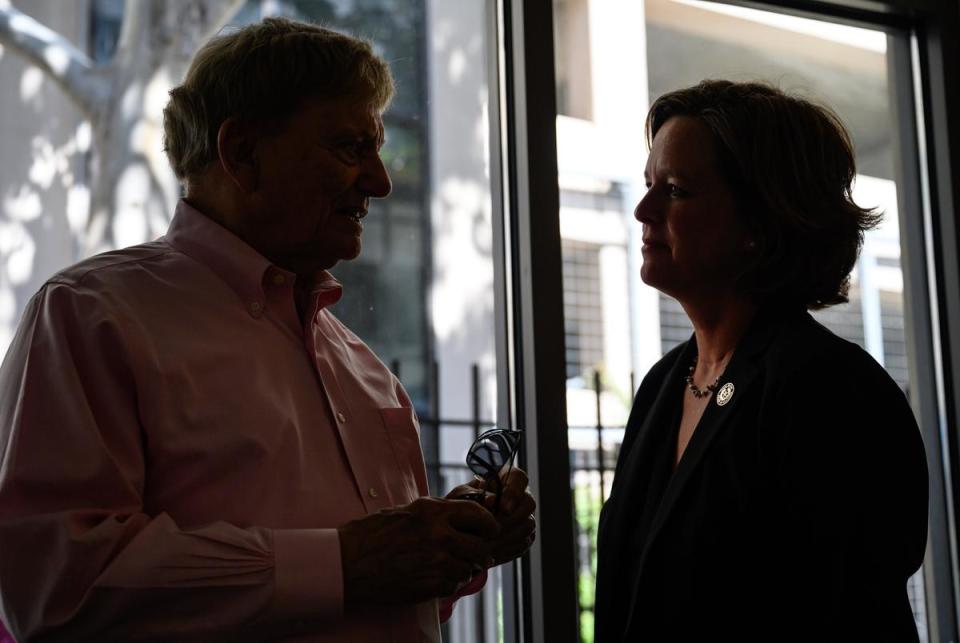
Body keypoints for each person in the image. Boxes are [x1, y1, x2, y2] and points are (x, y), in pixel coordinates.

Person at [0, 17, 535, 642]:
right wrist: (346, 562)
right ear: (242, 153)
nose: (382, 182)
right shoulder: (89, 316)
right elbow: (53, 586)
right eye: (348, 148)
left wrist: (451, 544)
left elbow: (392, 595)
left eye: (377, 149)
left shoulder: (365, 370)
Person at [594, 80, 928, 642]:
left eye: (674, 190)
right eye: (651, 184)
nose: (642, 209)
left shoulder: (832, 390)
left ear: (760, 221)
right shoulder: (661, 384)